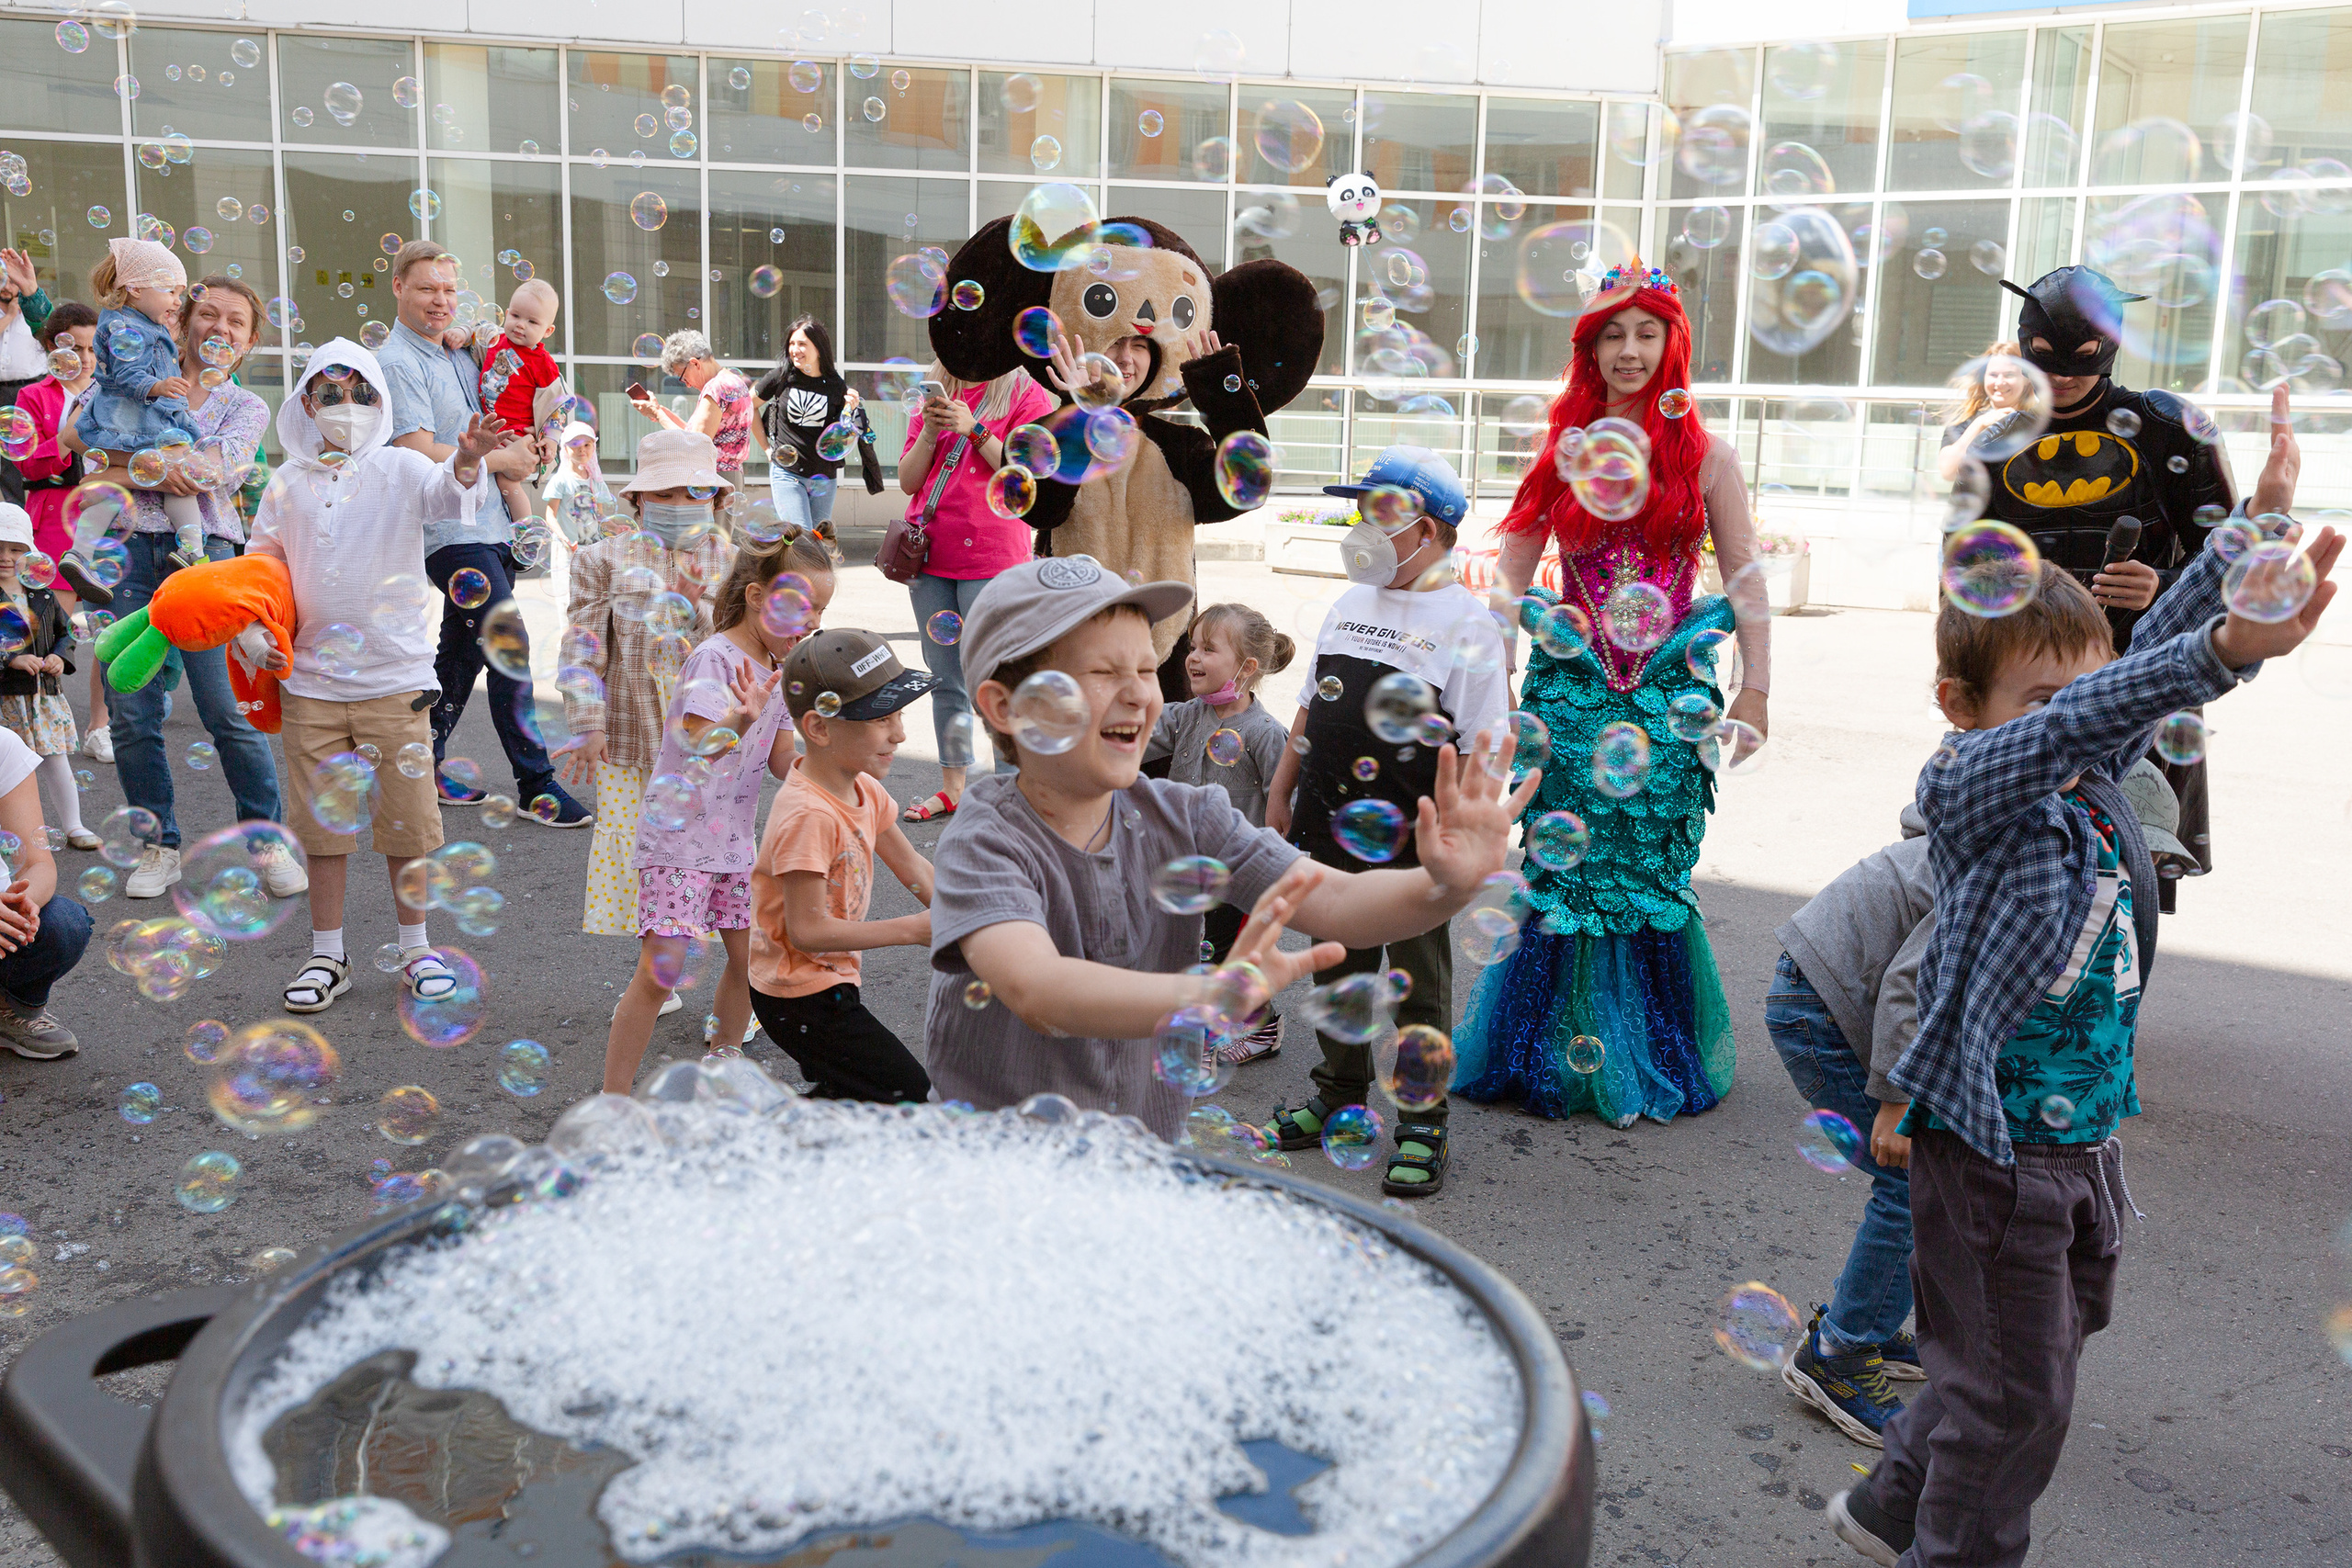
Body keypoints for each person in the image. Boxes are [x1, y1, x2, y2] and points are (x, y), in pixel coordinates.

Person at [1828, 484, 2336, 1568]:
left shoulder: (2088, 768)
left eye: (2092, 687)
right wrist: (2209, 652)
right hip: (1993, 1148)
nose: (2082, 711)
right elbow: (2091, 711)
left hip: (2083, 1134)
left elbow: (2124, 677)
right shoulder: (1972, 786)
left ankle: (1890, 1500)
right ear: (1959, 705)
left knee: (2040, 1346)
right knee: (2018, 1401)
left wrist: (2245, 533)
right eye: (2042, 696)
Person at [922, 555, 1539, 1143]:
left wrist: (1446, 883)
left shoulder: (1187, 817)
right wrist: (1209, 999)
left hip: (1136, 1156)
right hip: (997, 1170)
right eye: (1104, 673)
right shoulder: (986, 839)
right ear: (1007, 708)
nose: (1140, 693)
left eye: (1145, 668)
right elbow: (1038, 989)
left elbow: (1340, 899)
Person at [1450, 257, 1770, 1128]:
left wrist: (1758, 690)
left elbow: (1744, 578)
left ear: (1673, 341)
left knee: (1649, 869)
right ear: (1589, 349)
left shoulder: (1708, 457)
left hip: (1669, 700)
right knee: (1567, 869)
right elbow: (1511, 572)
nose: (1631, 350)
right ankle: (1550, 1053)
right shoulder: (1563, 447)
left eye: (1647, 331)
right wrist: (1493, 684)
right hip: (1574, 696)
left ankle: (1647, 1050)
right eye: (1612, 334)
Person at [1256, 448, 1509, 1193]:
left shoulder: (1466, 622)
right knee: (1337, 964)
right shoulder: (1350, 603)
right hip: (1328, 822)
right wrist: (1281, 786)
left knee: (1415, 984)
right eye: (1360, 507)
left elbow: (1484, 744)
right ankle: (1336, 1095)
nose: (1361, 523)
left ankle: (1424, 1125)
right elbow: (1313, 699)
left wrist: (1460, 846)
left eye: (1379, 510)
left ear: (1426, 529)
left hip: (1413, 840)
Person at [243, 339, 514, 1013]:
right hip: (309, 685)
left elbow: (448, 493)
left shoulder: (398, 466)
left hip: (395, 681)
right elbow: (258, 572)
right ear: (305, 401)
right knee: (321, 829)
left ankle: (417, 947)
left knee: (408, 825)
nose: (347, 407)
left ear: (380, 401)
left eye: (361, 394)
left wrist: (470, 457)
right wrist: (252, 635)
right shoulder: (287, 483)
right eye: (330, 393)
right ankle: (327, 953)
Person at [1974, 265, 2243, 905]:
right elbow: (1964, 573)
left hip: (2144, 674)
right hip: (2027, 680)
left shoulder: (2168, 429)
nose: (2064, 376)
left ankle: (2107, 999)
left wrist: (2165, 584)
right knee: (2021, 868)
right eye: (2047, 360)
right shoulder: (1993, 445)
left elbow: (2233, 558)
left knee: (2127, 872)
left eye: (2081, 361)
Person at [62, 273, 293, 902]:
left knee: (226, 710)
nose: (219, 328)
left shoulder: (246, 405)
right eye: (208, 313)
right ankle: (158, 844)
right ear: (182, 320)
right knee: (132, 713)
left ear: (246, 344)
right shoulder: (130, 372)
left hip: (204, 559)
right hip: (126, 552)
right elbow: (74, 437)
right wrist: (157, 461)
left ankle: (267, 839)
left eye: (235, 322)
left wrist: (131, 458)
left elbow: (210, 471)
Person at [600, 511, 836, 1095]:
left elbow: (784, 762)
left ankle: (722, 1059)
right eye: (803, 610)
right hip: (680, 839)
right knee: (662, 972)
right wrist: (743, 713)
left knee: (750, 957)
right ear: (757, 597)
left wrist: (835, 763)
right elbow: (700, 743)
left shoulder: (779, 671)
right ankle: (614, 1095)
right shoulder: (716, 659)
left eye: (820, 614)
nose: (812, 625)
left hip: (731, 842)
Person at [376, 240, 586, 828]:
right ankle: (536, 784)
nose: (440, 300)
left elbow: (517, 406)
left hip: (492, 520)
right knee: (507, 641)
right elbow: (417, 450)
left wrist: (537, 445)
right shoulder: (399, 362)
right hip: (449, 527)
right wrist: (502, 463)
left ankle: (427, 760)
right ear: (398, 288)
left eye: (448, 289)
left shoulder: (463, 351)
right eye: (426, 288)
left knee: (461, 653)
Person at [1767, 801, 1935, 1447]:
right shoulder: (2011, 865)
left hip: (1832, 993)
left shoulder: (2015, 835)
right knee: (1913, 1179)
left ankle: (1867, 1319)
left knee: (1930, 1173)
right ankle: (1838, 1353)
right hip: (1823, 1004)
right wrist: (1895, 1099)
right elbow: (1910, 985)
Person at [559, 429, 742, 975]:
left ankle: (741, 988)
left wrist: (692, 607)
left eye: (694, 493)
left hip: (709, 739)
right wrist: (589, 725)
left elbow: (746, 648)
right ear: (638, 499)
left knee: (715, 859)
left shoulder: (733, 562)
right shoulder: (601, 559)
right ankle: (657, 977)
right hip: (631, 737)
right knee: (644, 861)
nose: (680, 506)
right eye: (664, 494)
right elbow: (582, 647)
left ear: (716, 499)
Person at [749, 627, 937, 1102]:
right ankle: (767, 1148)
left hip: (828, 979)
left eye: (900, 715)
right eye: (882, 719)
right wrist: (914, 930)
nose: (900, 734)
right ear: (819, 727)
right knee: (903, 1088)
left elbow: (913, 868)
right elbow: (808, 931)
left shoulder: (863, 787)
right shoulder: (808, 815)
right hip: (796, 994)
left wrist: (973, 918)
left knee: (856, 1090)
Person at [897, 363, 1057, 823]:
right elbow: (909, 482)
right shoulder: (934, 392)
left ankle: (1011, 791)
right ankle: (953, 788)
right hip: (930, 558)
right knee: (944, 677)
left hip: (993, 559)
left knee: (998, 679)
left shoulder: (1024, 392)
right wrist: (929, 432)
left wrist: (976, 429)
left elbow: (1029, 479)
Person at [1144, 603, 1295, 1065]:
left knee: (1228, 959)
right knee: (1187, 948)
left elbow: (1284, 806)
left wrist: (1275, 875)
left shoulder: (1266, 733)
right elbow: (1135, 734)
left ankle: (1246, 1031)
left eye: (1208, 649)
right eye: (1192, 646)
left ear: (1246, 668)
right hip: (1184, 861)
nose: (1192, 657)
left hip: (1236, 874)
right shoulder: (1188, 716)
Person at [12, 302, 115, 759]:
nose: (87, 358)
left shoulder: (114, 390)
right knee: (56, 627)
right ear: (54, 346)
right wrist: (70, 433)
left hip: (108, 508)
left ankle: (101, 723)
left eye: (95, 348)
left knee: (106, 628)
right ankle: (37, 727)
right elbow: (26, 460)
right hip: (53, 511)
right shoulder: (35, 395)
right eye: (76, 346)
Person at [74, 241, 209, 549]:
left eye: (179, 293)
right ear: (134, 287)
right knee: (181, 485)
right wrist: (158, 387)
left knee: (110, 491)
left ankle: (79, 554)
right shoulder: (126, 327)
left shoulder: (135, 321)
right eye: (170, 292)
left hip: (128, 422)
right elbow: (128, 374)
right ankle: (193, 553)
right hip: (139, 422)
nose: (177, 302)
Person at [0, 504, 94, 852]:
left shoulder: (41, 594)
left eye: (15, 548)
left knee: (57, 762)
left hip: (44, 695)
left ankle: (74, 825)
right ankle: (9, 834)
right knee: (5, 768)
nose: (6, 557)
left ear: (30, 552)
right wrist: (9, 659)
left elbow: (66, 633)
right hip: (5, 699)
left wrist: (58, 656)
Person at [0, 722, 92, 1060]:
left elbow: (38, 865)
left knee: (64, 924)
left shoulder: (2, 745)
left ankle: (7, 1009)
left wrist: (21, 906)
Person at [752, 315, 862, 532]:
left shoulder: (835, 384)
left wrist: (851, 408)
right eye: (792, 344)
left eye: (802, 344)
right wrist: (766, 448)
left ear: (819, 348)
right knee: (800, 537)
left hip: (823, 478)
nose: (795, 349)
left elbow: (840, 436)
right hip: (787, 472)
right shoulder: (781, 377)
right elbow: (748, 406)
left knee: (817, 540)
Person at [476, 277, 564, 538]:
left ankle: (527, 531)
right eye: (515, 315)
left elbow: (556, 406)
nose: (520, 325)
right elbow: (474, 333)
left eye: (532, 322)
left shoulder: (543, 364)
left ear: (547, 331)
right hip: (489, 427)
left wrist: (552, 438)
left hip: (514, 434)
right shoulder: (495, 339)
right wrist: (460, 333)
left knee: (507, 482)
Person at [630, 330, 753, 490]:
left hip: (715, 479)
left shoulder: (716, 388)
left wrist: (658, 414)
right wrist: (659, 410)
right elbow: (692, 433)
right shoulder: (730, 380)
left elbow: (694, 446)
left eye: (682, 377)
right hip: (725, 477)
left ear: (695, 363)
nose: (687, 384)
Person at [0, 247, 62, 509]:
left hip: (30, 390)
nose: (5, 286)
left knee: (32, 455)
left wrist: (26, 299)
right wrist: (9, 315)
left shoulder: (33, 316)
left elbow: (52, 336)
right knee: (5, 462)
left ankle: (34, 513)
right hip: (2, 392)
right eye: (2, 279)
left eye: (10, 280)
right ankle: (13, 516)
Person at [1934, 340, 2028, 482]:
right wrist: (1979, 425)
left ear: (2026, 378)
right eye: (1993, 375)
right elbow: (1948, 472)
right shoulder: (1966, 418)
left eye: (2009, 375)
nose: (2000, 383)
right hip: (1975, 502)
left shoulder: (2037, 418)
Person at [541, 420, 616, 547]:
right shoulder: (561, 480)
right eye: (575, 444)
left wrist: (615, 528)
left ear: (594, 447)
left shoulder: (596, 481)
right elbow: (550, 515)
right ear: (565, 448)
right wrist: (563, 538)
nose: (582, 449)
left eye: (587, 445)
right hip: (566, 548)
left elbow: (598, 514)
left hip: (592, 548)